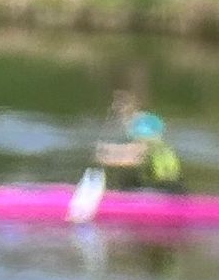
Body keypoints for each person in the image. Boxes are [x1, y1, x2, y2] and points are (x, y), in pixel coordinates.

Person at [69, 91, 181, 220]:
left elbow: (132, 158)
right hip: (162, 189)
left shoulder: (147, 140)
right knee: (126, 180)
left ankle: (119, 203)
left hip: (165, 193)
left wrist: (104, 157)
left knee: (127, 180)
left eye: (120, 104)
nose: (115, 107)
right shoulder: (153, 143)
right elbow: (130, 151)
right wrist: (107, 150)